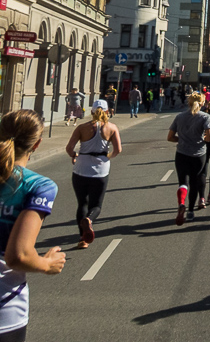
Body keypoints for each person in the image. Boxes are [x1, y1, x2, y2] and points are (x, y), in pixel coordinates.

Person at [0, 110, 65, 339]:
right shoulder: (38, 186)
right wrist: (48, 264)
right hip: (5, 308)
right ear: (37, 144)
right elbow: (18, 256)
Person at [66, 100, 122, 249]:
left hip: (81, 168)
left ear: (91, 112)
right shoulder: (111, 128)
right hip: (101, 169)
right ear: (107, 111)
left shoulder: (82, 128)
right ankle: (89, 220)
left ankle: (82, 239)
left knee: (82, 203)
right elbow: (118, 150)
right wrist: (107, 157)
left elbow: (69, 147)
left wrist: (74, 155)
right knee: (96, 205)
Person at [168, 93, 210, 225]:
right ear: (202, 103)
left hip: (181, 153)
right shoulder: (205, 117)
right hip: (198, 154)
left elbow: (170, 137)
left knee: (183, 182)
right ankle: (190, 211)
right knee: (195, 182)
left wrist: (182, 140)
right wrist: (200, 140)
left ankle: (181, 203)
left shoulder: (180, 116)